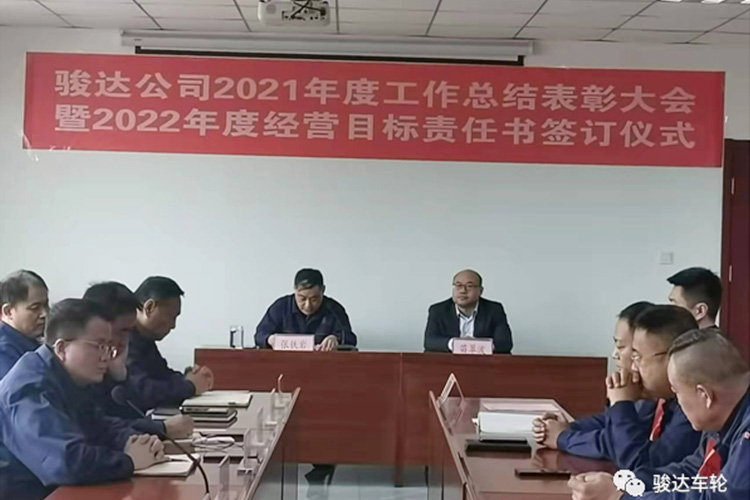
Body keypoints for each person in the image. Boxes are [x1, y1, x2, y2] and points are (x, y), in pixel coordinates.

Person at [0, 299, 164, 500]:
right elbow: (66, 462)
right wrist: (129, 460)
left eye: (109, 347)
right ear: (62, 349)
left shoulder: (67, 378)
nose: (106, 357)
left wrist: (137, 441)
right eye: (99, 346)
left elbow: (100, 427)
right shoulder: (28, 388)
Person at [568, 329, 749, 500]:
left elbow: (719, 497)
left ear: (705, 395)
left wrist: (620, 497)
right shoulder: (722, 419)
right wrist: (624, 484)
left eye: (677, 392)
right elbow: (691, 473)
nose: (677, 402)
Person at [533, 301, 655, 462]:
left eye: (620, 346)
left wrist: (563, 437)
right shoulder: (640, 391)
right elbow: (608, 421)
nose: (614, 354)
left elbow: (614, 443)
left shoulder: (657, 396)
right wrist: (569, 427)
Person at [83, 282, 193, 439]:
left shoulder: (111, 363)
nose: (126, 339)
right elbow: (99, 429)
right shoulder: (77, 374)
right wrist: (161, 429)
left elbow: (128, 414)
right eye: (123, 331)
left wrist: (119, 375)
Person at [127, 276, 213, 411]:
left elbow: (161, 374)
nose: (173, 326)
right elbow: (142, 391)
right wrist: (190, 386)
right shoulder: (122, 337)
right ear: (149, 307)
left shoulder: (144, 337)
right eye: (171, 317)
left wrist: (188, 377)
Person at [255, 268, 357, 351]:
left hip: (323, 365)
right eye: (302, 299)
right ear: (295, 290)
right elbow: (260, 334)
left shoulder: (334, 309)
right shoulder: (281, 307)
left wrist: (336, 339)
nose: (308, 305)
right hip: (285, 364)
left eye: (314, 299)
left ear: (323, 290)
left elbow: (350, 338)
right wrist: (270, 339)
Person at [423, 269, 512, 354]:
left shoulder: (494, 310)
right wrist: (455, 344)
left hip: (484, 362)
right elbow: (429, 341)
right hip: (448, 361)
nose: (463, 291)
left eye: (469, 286)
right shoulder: (438, 310)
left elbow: (505, 343)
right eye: (458, 285)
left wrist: (474, 345)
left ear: (480, 291)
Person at [0, 270, 49, 379]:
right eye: (35, 308)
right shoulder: (4, 351)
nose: (44, 314)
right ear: (8, 311)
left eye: (46, 305)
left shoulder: (31, 340)